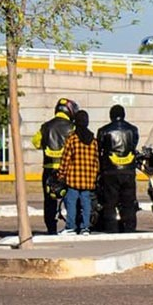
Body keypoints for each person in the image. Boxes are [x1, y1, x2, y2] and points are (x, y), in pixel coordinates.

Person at [33, 98, 77, 234]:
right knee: (71, 199)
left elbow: (36, 143)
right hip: (67, 170)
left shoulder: (45, 127)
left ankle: (51, 228)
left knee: (49, 201)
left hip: (49, 168)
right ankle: (71, 226)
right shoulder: (72, 127)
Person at [96, 104, 140, 233]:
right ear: (123, 115)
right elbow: (133, 145)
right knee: (129, 202)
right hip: (129, 170)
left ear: (111, 116)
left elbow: (99, 149)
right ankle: (129, 227)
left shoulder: (104, 130)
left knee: (110, 202)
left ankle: (111, 228)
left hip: (110, 170)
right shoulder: (133, 130)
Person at [58, 111, 99, 235]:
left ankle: (71, 226)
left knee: (71, 202)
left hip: (73, 178)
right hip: (88, 179)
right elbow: (96, 160)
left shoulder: (72, 139)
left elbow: (65, 159)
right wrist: (94, 175)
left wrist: (61, 174)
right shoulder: (93, 141)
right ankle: (85, 227)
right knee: (86, 203)